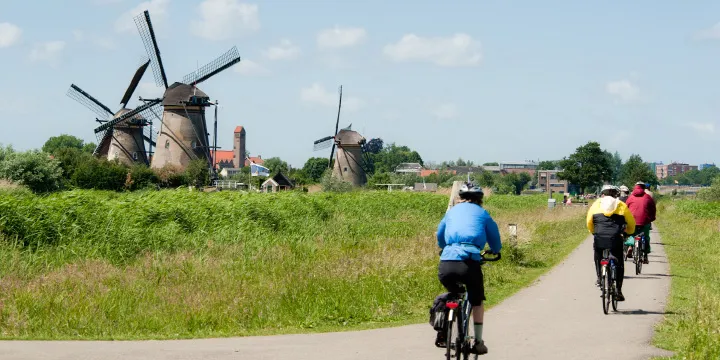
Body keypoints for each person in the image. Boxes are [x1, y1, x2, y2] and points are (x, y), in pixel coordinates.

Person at [437, 183, 502, 355]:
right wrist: (495, 250)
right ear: (480, 199)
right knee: (477, 299)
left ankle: (444, 330)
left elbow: (440, 233)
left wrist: (444, 247)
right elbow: (494, 236)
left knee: (452, 294)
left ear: (460, 197)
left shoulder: (450, 212)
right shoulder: (483, 214)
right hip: (469, 262)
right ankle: (478, 341)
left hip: (447, 262)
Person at [586, 185, 635, 301]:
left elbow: (589, 222)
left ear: (602, 193)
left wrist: (594, 232)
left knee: (598, 254)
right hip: (616, 238)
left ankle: (599, 278)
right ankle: (618, 290)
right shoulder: (621, 205)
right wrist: (629, 233)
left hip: (599, 238)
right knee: (619, 262)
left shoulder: (596, 204)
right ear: (615, 194)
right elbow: (631, 223)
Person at [625, 182, 657, 264]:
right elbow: (653, 208)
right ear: (644, 188)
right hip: (644, 221)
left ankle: (630, 246)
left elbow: (625, 208)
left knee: (632, 234)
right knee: (646, 237)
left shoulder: (630, 197)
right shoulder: (647, 197)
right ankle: (645, 256)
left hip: (632, 221)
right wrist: (652, 218)